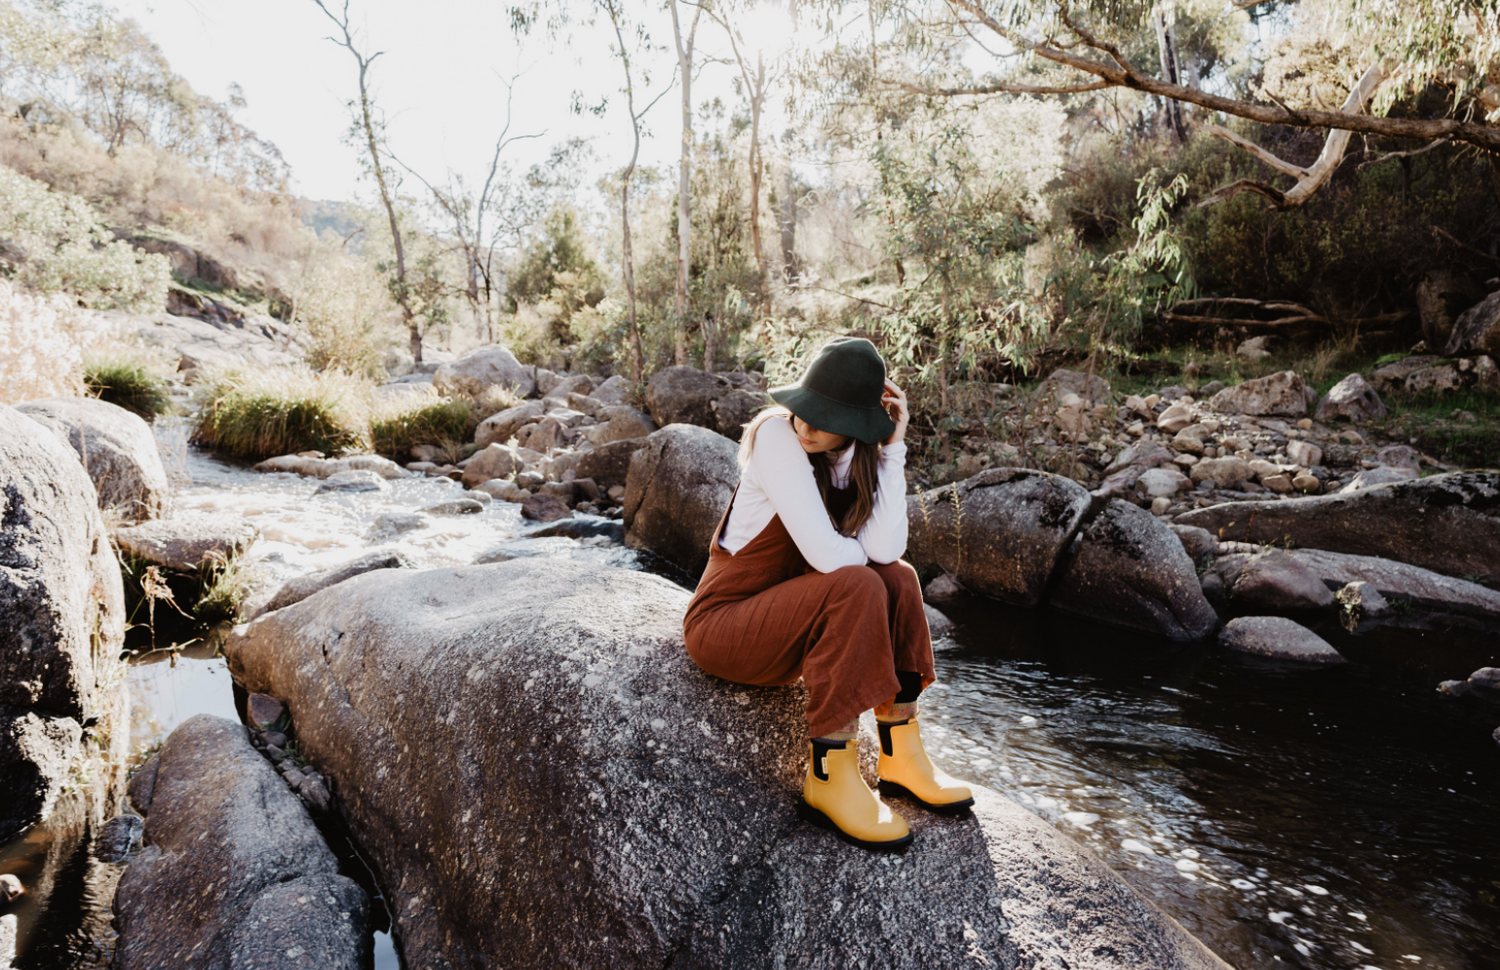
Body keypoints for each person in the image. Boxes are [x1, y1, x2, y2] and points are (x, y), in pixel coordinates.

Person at [683, 336, 972, 850]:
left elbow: (885, 549)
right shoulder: (776, 437)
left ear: (858, 424)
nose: (805, 424)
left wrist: (892, 447)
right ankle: (829, 775)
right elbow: (829, 557)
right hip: (725, 626)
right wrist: (862, 564)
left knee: (899, 577)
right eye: (803, 409)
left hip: (791, 630)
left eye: (825, 416)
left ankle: (900, 755)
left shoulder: (856, 456)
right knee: (862, 582)